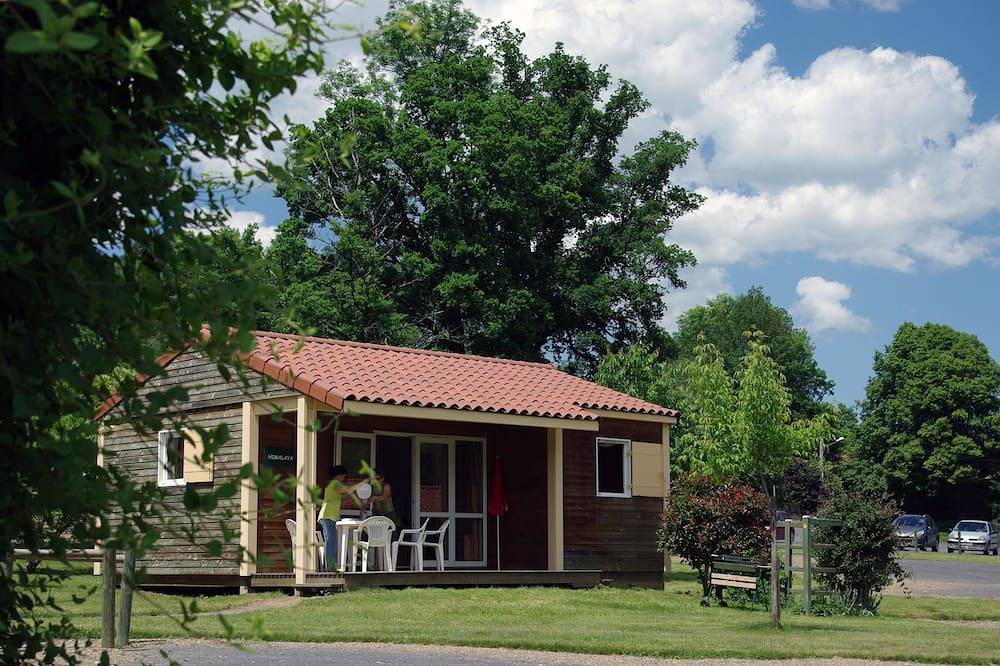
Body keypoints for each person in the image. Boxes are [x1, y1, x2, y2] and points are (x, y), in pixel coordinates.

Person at [318, 464, 355, 572]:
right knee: (331, 542)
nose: (344, 478)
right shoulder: (335, 483)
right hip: (328, 516)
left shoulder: (333, 485)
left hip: (327, 516)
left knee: (330, 542)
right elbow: (346, 490)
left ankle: (329, 566)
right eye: (344, 476)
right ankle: (330, 568)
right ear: (339, 475)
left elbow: (340, 499)